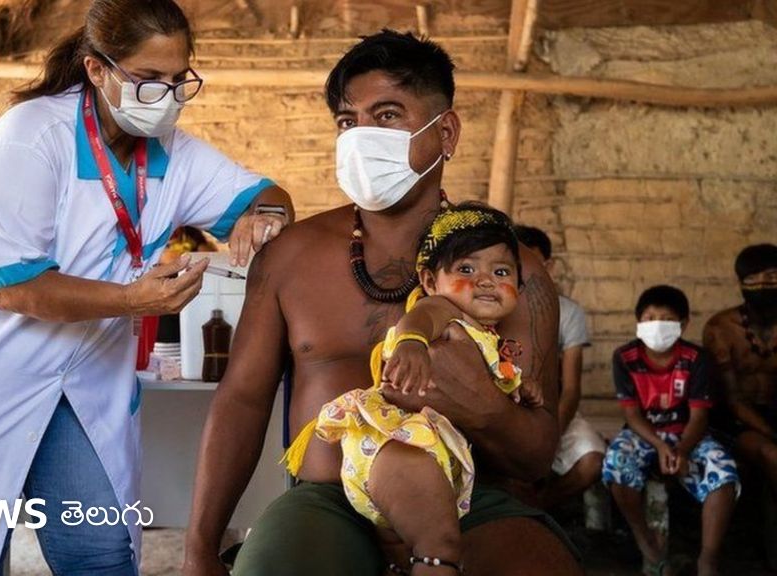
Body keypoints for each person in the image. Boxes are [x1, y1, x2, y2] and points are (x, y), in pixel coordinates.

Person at [0, 1, 293, 574]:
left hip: (77, 382)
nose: (165, 97)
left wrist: (263, 215)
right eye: (148, 79)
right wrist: (133, 300)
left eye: (177, 80)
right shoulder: (29, 139)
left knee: (101, 552)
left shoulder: (177, 154)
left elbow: (269, 196)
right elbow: (14, 290)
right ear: (97, 69)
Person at [183, 30, 580, 576]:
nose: (362, 137)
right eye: (348, 122)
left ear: (445, 132)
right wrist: (199, 547)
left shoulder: (512, 275)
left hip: (471, 500)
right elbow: (242, 401)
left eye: (388, 115)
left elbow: (535, 456)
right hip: (328, 501)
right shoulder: (291, 257)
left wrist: (485, 406)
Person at [281, 203, 537, 574]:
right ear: (430, 282)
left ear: (519, 287)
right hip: (401, 444)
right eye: (467, 269)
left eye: (501, 272)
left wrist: (521, 388)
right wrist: (412, 343)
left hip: (425, 458)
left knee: (408, 544)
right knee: (440, 547)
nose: (485, 281)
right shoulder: (445, 310)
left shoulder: (490, 339)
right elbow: (420, 319)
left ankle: (394, 552)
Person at [603, 285, 738, 576]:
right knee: (616, 464)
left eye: (666, 319)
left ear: (683, 324)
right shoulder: (625, 357)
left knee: (723, 473)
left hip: (688, 432)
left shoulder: (696, 358)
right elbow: (631, 414)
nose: (656, 325)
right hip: (643, 433)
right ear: (639, 322)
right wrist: (661, 446)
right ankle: (645, 541)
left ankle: (708, 559)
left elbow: (699, 416)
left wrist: (682, 450)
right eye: (650, 318)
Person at [514, 225, 605, 508]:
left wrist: (551, 435)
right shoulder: (494, 307)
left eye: (533, 261)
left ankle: (539, 507)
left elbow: (571, 390)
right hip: (509, 413)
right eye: (515, 263)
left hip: (555, 412)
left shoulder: (567, 312)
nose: (524, 271)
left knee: (591, 461)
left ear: (548, 266)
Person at [704, 244, 777, 487]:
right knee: (772, 454)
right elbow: (733, 399)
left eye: (772, 276)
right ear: (740, 283)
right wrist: (772, 433)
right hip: (736, 420)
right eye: (752, 278)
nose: (763, 284)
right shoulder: (721, 328)